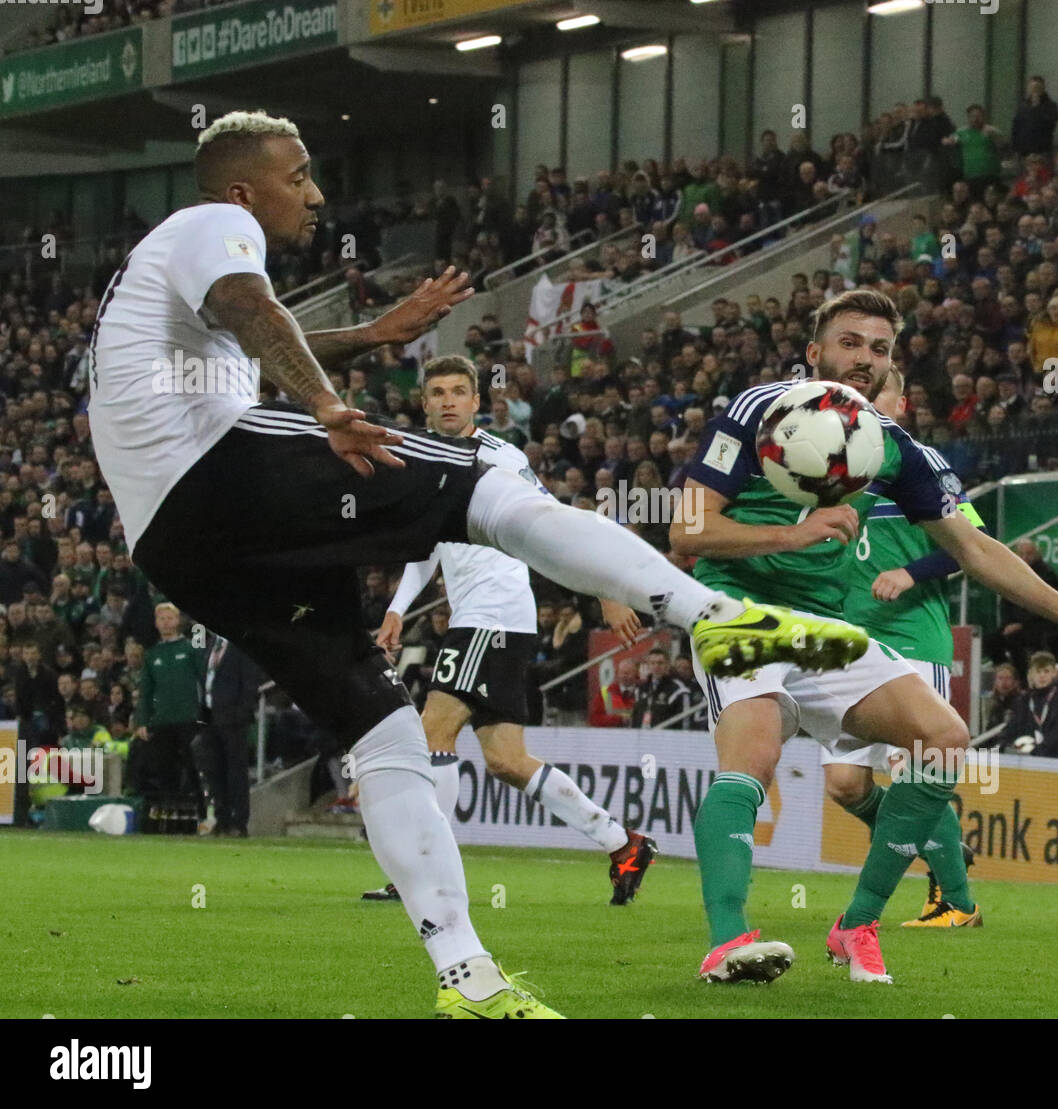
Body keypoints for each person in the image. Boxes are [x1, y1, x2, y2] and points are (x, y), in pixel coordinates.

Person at [86, 111, 868, 1019]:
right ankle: (714, 617)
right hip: (219, 472)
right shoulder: (209, 231)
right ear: (241, 191)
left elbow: (239, 345)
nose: (315, 194)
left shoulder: (164, 275)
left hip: (179, 540)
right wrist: (332, 408)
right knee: (493, 487)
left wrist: (375, 334)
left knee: (384, 730)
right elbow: (248, 312)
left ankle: (468, 978)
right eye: (298, 176)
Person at [670, 288, 1058, 986]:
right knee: (755, 753)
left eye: (880, 348)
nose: (864, 359)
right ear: (815, 353)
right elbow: (686, 529)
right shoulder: (756, 410)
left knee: (944, 737)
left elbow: (978, 550)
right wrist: (791, 533)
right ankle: (728, 941)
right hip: (739, 607)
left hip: (827, 627)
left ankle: (857, 923)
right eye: (851, 343)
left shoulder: (892, 447)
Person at [371, 356, 656, 907]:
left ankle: (427, 872)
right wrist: (397, 608)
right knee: (505, 759)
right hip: (489, 620)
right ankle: (624, 843)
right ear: (424, 403)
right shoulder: (424, 463)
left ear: (477, 402)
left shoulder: (498, 458)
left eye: (460, 391)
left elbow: (553, 527)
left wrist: (603, 590)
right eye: (438, 392)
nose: (449, 400)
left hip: (491, 617)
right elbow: (425, 548)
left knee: (432, 733)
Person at [817, 366, 979, 928]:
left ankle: (958, 900)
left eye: (876, 394)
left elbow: (971, 546)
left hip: (910, 639)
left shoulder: (922, 463)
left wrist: (910, 573)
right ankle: (941, 848)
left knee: (917, 767)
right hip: (847, 645)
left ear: (901, 404)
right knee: (845, 784)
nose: (863, 404)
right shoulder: (830, 472)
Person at [131, 603, 204, 819]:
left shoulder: (191, 649)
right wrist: (142, 721)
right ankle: (168, 814)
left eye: (169, 618)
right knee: (165, 770)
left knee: (192, 769)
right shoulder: (152, 655)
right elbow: (145, 691)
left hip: (189, 719)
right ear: (156, 622)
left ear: (178, 620)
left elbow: (203, 679)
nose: (165, 622)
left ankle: (201, 813)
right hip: (162, 721)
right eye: (161, 618)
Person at [192, 633, 265, 837]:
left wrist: (241, 713)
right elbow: (205, 680)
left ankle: (239, 821)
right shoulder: (210, 646)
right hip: (210, 718)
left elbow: (250, 683)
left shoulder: (242, 647)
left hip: (232, 720)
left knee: (236, 772)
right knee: (214, 771)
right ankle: (222, 819)